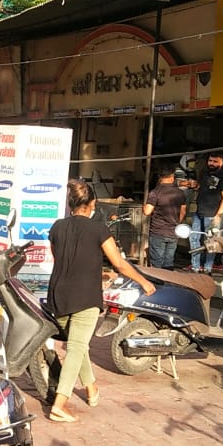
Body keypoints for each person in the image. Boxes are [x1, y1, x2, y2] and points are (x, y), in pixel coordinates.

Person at [46, 180, 155, 422]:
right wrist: (144, 282)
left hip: (58, 295)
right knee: (75, 348)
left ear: (70, 204)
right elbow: (119, 263)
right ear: (92, 204)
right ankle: (60, 403)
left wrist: (98, 273)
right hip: (85, 296)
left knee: (77, 344)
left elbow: (60, 260)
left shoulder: (56, 227)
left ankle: (92, 388)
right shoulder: (99, 229)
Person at [190, 152, 223, 274]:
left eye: (215, 161)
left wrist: (218, 215)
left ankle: (208, 269)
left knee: (211, 242)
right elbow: (202, 187)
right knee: (194, 239)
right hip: (199, 212)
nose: (212, 163)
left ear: (222, 162)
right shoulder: (204, 173)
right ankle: (195, 267)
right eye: (210, 161)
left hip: (213, 214)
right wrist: (194, 185)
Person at [143, 166, 187, 269]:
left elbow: (147, 211)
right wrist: (176, 223)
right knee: (169, 261)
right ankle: (168, 282)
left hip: (158, 231)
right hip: (173, 232)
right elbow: (183, 212)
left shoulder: (155, 193)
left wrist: (144, 205)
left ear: (160, 177)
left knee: (157, 262)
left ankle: (158, 283)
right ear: (172, 177)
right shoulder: (180, 193)